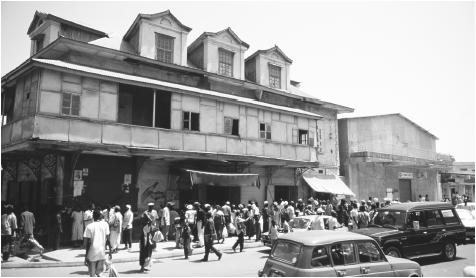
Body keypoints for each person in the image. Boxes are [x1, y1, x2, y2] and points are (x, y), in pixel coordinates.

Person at [84, 210, 112, 277]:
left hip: (92, 252)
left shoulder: (89, 226)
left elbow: (87, 243)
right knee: (99, 273)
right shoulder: (105, 225)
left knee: (92, 275)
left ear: (93, 217)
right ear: (100, 216)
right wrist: (110, 251)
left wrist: (86, 256)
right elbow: (108, 239)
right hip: (101, 252)